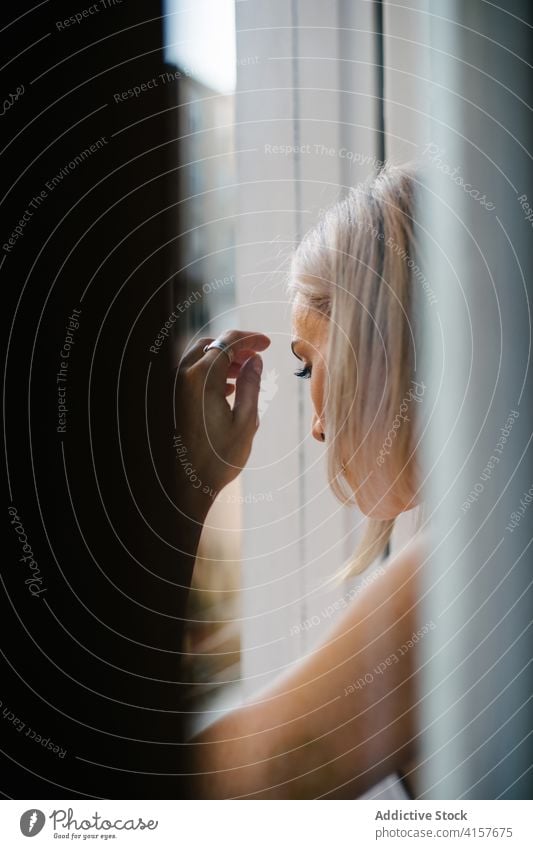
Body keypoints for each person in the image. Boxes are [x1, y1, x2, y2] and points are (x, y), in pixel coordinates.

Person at [175, 164, 429, 798]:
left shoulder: (444, 583)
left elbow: (189, 796)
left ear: (386, 353)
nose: (318, 428)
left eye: (309, 367)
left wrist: (181, 494)